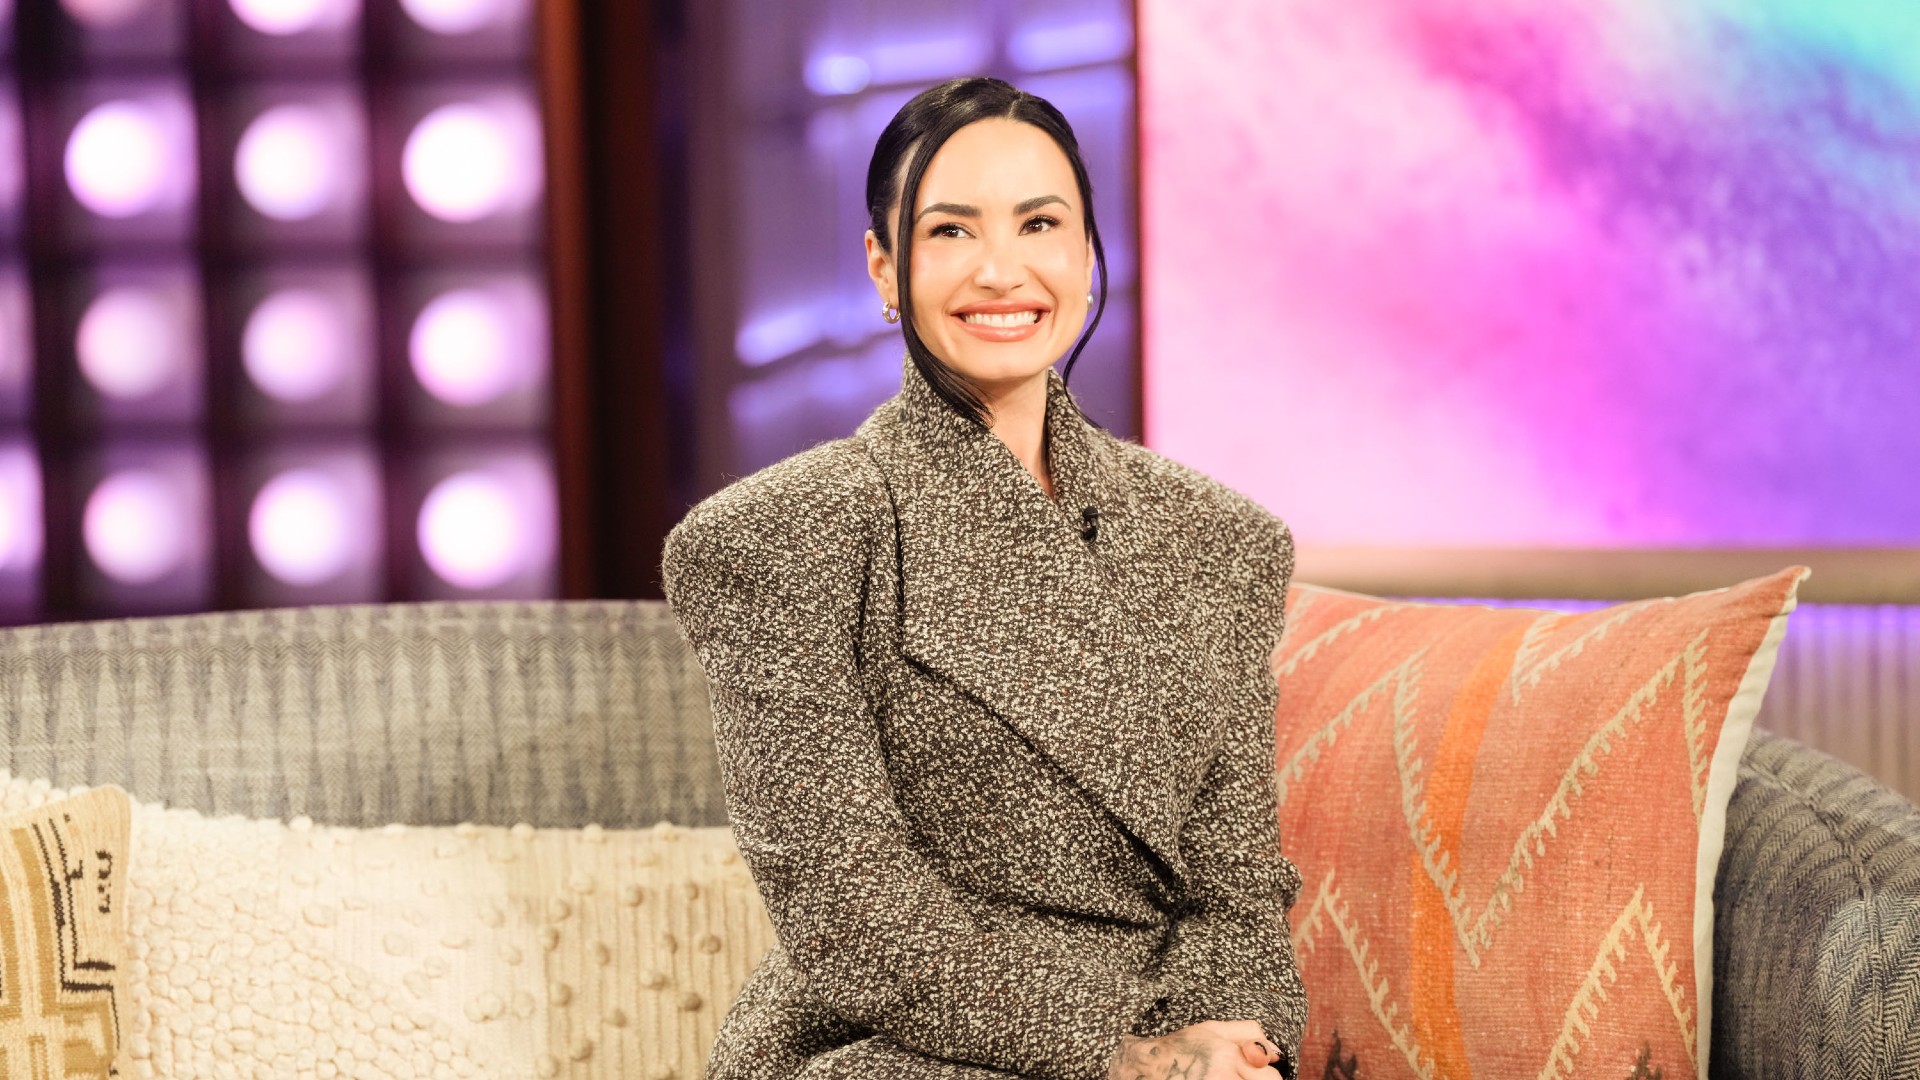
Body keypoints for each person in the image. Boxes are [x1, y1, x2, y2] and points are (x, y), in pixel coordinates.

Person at [661, 76, 1306, 1080]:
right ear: (884, 269)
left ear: (1088, 258)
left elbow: (1235, 890)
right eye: (951, 233)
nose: (1001, 270)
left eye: (1040, 224)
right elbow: (852, 917)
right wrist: (1131, 1059)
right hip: (888, 1052)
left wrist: (1228, 1046)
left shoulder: (1218, 541)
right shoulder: (776, 537)